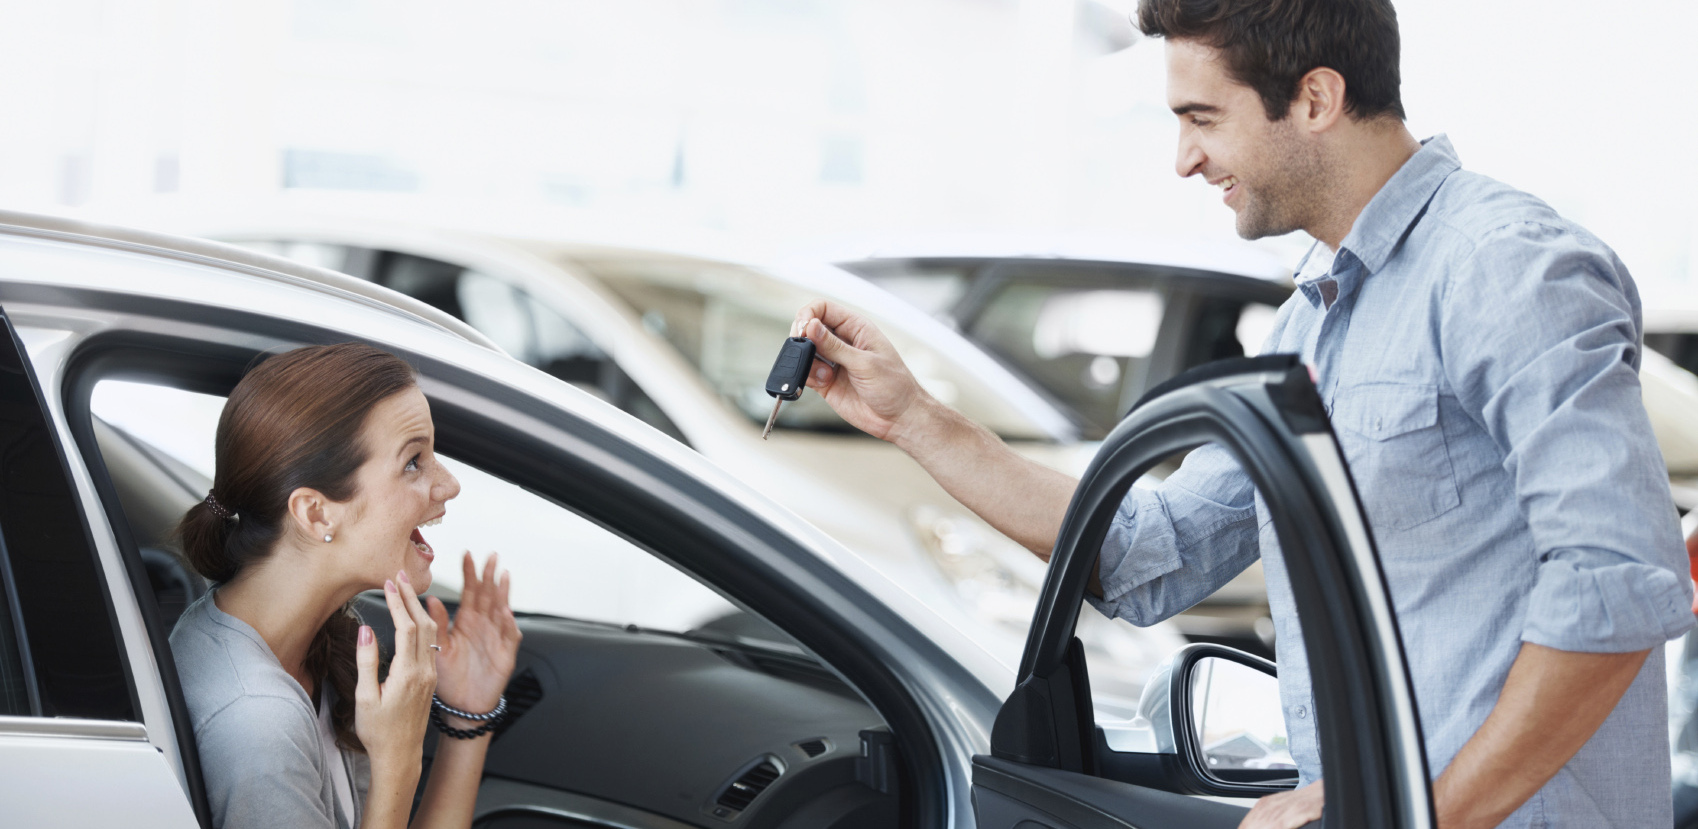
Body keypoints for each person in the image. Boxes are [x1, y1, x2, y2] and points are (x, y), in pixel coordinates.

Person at [788, 1, 1693, 827]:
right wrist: (913, 418)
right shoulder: (1311, 320)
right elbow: (1146, 554)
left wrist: (1415, 820)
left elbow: (1616, 582)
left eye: (1201, 118)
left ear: (1315, 98)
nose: (1185, 158)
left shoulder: (1504, 266)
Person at [169, 343, 523, 829]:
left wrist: (466, 713)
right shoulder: (257, 724)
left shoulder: (321, 640)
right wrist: (397, 759)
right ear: (316, 513)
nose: (448, 484)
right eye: (413, 462)